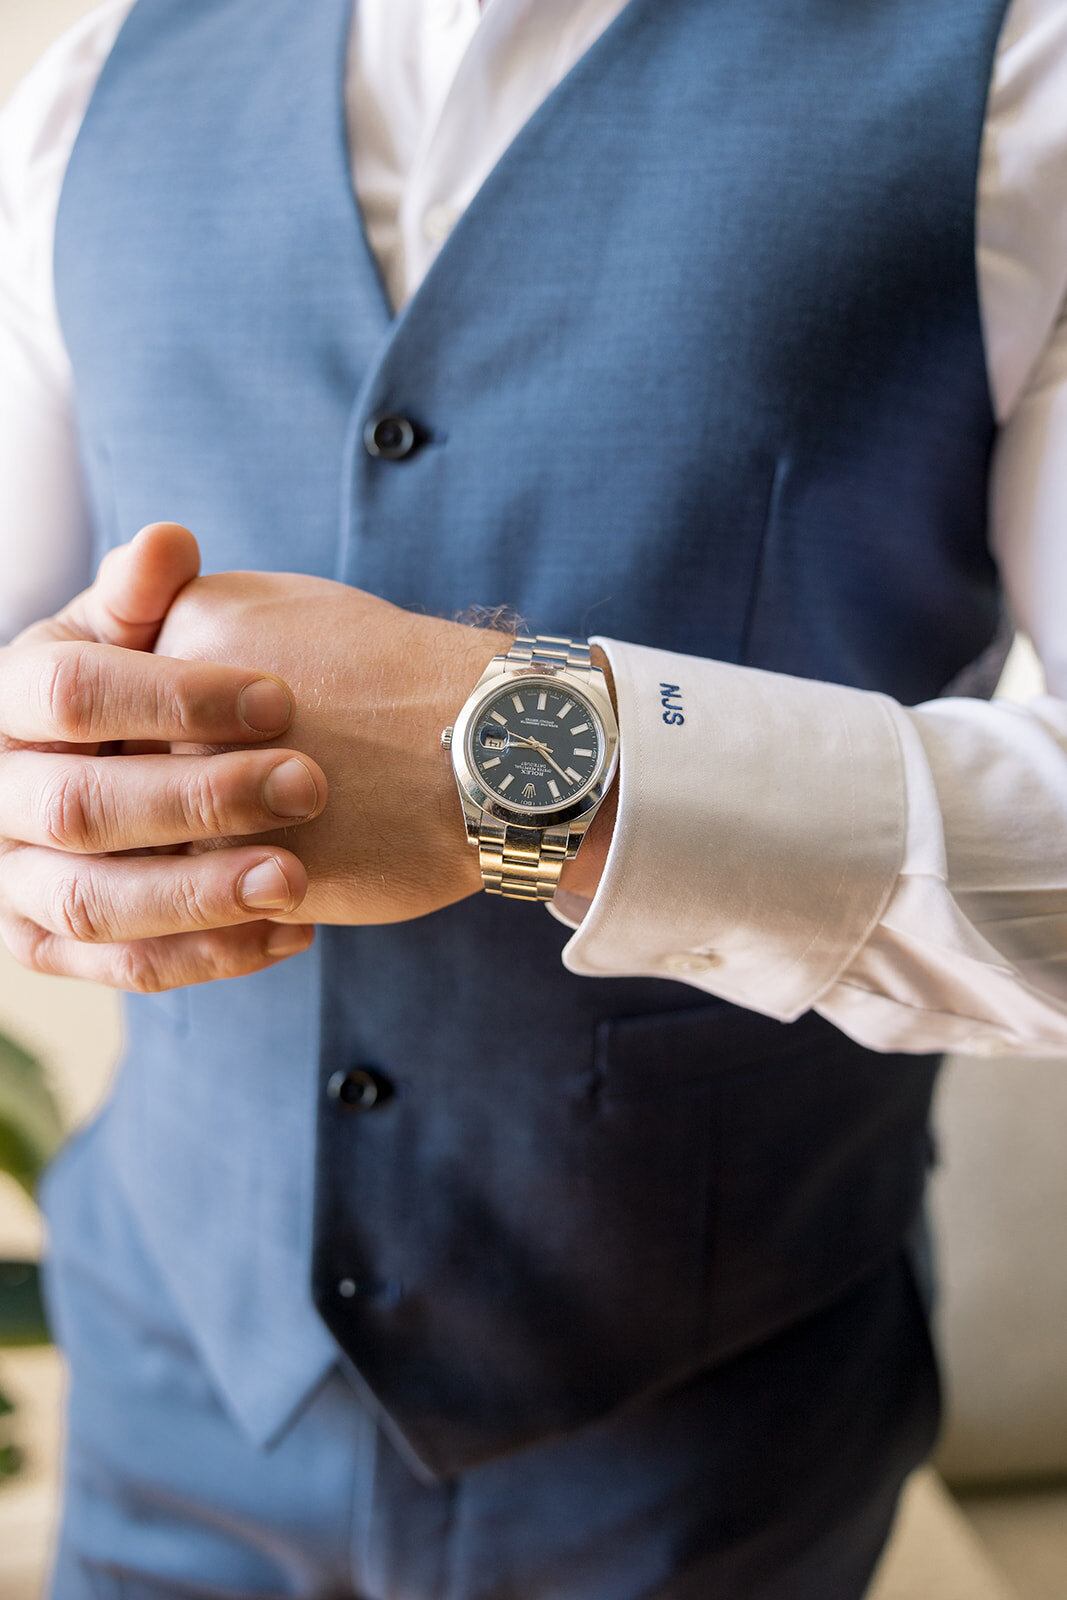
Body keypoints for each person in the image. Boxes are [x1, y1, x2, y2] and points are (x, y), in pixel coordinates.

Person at [2, 0, 1067, 1594]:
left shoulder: (1017, 77)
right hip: (165, 1390)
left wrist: (518, 759)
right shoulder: (88, 89)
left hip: (710, 1453)